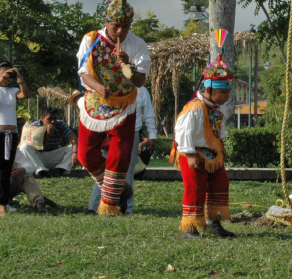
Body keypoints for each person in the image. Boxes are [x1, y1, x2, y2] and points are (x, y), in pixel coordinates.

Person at [76, 0, 151, 216]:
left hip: (124, 104)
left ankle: (109, 205)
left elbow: (139, 81)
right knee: (85, 154)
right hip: (95, 102)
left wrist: (128, 66)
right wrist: (99, 88)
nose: (120, 31)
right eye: (115, 25)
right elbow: (83, 72)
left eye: (125, 26)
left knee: (120, 155)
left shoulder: (138, 45)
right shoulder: (91, 39)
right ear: (106, 22)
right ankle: (119, 191)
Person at [169, 54, 235, 239]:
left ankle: (214, 222)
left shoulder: (216, 108)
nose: (227, 96)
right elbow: (182, 132)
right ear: (208, 89)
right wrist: (190, 154)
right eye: (224, 92)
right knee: (195, 188)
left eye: (229, 92)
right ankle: (189, 227)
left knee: (220, 183)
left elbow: (217, 131)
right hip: (192, 153)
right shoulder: (195, 108)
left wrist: (221, 148)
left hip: (212, 155)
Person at [87, 86, 158, 214]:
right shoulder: (107, 84)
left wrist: (152, 135)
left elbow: (148, 114)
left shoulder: (141, 90)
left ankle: (127, 208)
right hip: (107, 130)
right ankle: (95, 206)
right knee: (102, 170)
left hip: (131, 132)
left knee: (127, 171)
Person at [0, 61, 29, 216]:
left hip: (11, 135)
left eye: (10, 74)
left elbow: (25, 95)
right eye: (4, 74)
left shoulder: (13, 90)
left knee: (6, 170)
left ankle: (3, 206)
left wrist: (20, 78)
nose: (8, 77)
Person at [0, 141, 52, 213]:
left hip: (5, 184)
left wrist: (22, 169)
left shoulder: (10, 148)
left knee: (25, 175)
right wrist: (3, 167)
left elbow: (30, 164)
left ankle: (39, 203)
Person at [18, 106, 78, 178]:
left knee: (76, 146)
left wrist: (75, 153)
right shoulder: (34, 126)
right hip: (39, 157)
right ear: (42, 118)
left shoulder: (60, 124)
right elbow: (40, 150)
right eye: (49, 119)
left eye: (55, 118)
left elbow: (73, 138)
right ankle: (41, 171)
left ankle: (60, 169)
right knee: (24, 147)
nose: (53, 121)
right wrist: (48, 135)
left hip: (55, 155)